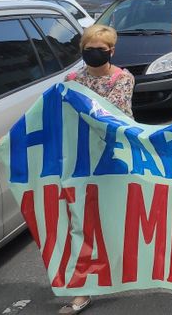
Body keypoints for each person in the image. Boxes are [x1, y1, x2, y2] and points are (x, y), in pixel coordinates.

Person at [59, 25, 135, 314]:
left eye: (100, 49)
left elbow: (107, 114)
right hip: (81, 161)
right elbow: (50, 112)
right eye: (89, 48)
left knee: (115, 221)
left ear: (111, 51)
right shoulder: (71, 79)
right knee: (81, 222)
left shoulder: (122, 78)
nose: (93, 54)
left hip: (113, 159)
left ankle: (123, 269)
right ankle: (84, 289)